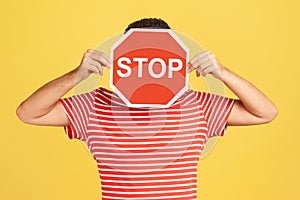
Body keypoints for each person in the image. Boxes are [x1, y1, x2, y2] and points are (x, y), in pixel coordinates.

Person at [16, 18, 278, 200]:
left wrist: (221, 73)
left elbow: (265, 112)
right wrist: (77, 75)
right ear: (122, 58)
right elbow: (28, 113)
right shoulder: (94, 105)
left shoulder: (198, 105)